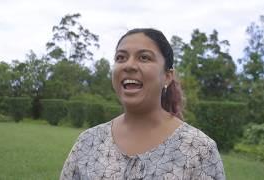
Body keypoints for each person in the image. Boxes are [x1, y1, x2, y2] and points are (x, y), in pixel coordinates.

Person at [60, 28, 225, 180]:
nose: (129, 65)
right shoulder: (88, 142)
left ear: (167, 76)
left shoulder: (199, 150)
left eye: (144, 57)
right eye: (121, 57)